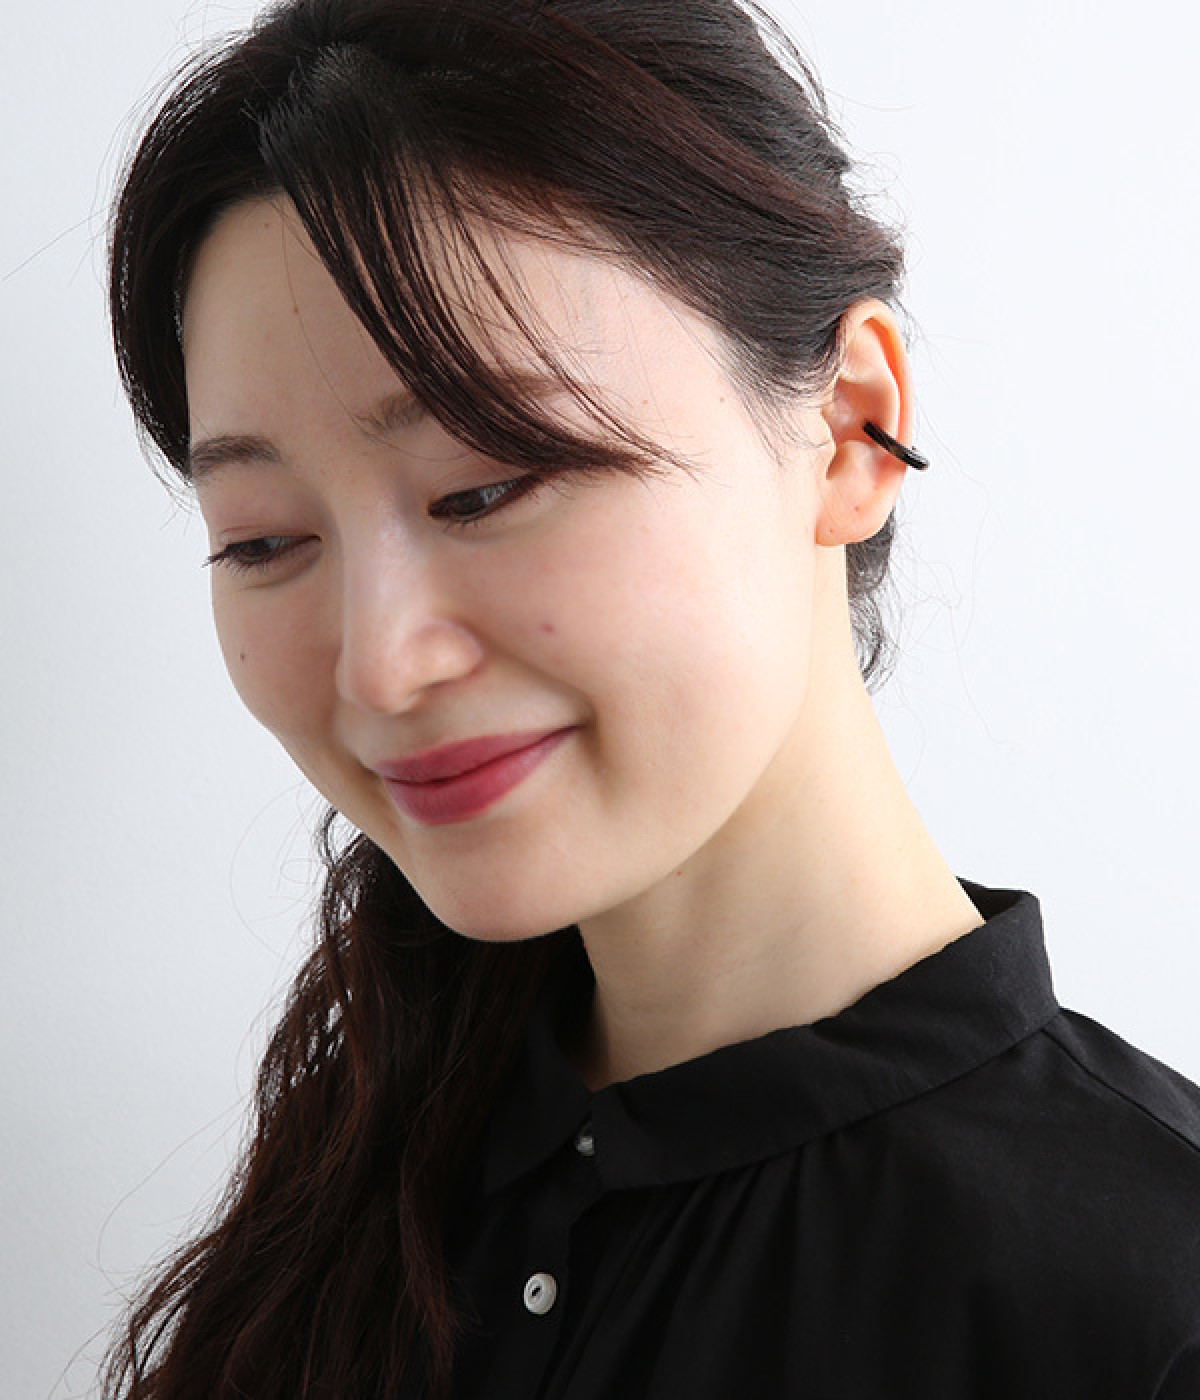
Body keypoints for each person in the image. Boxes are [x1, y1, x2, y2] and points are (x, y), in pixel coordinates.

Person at [101, 1, 1200, 1396]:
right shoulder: (366, 1176)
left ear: (849, 429)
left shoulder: (1147, 1310)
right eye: (262, 541)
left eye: (484, 486)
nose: (379, 667)